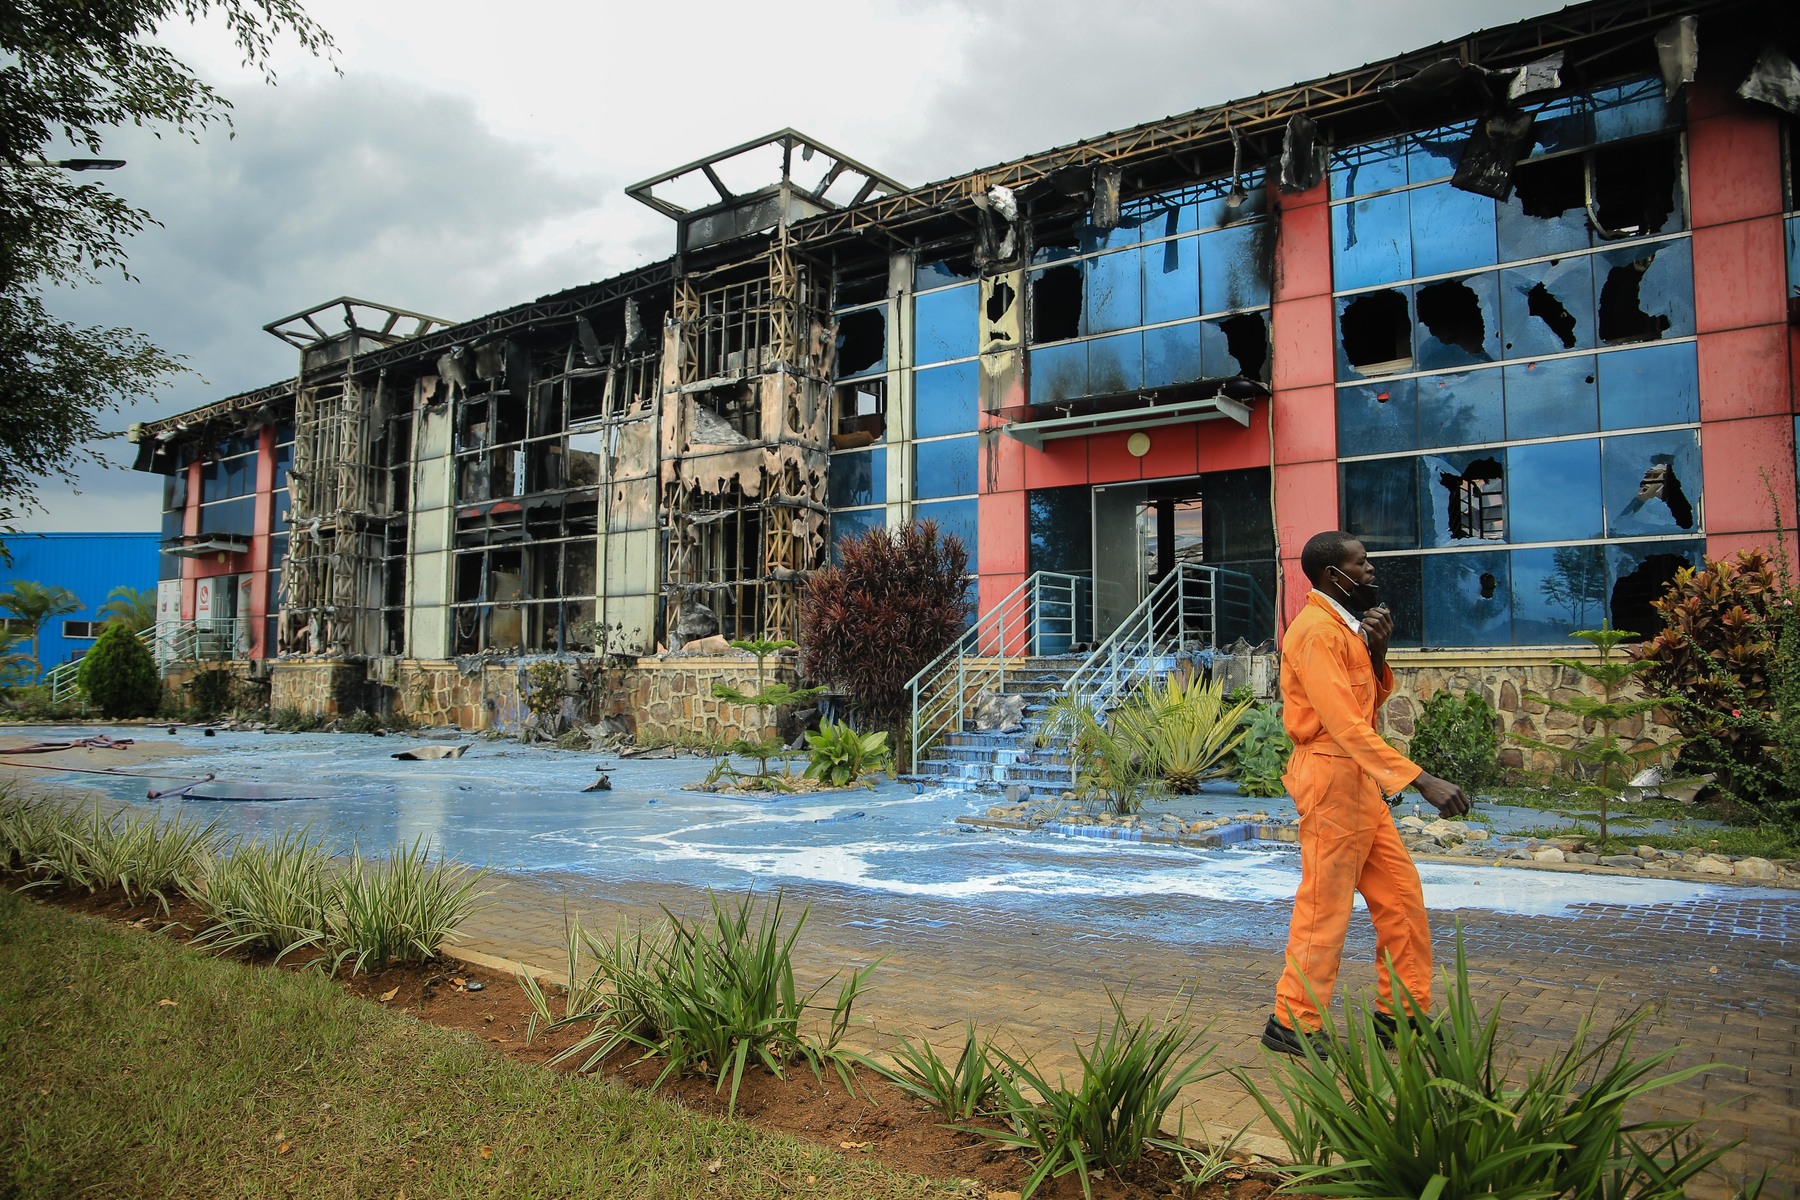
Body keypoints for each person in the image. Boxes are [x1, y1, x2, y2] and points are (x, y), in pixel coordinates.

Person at [1262, 530, 1469, 1056]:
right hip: (1333, 776)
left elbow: (1367, 700)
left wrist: (1378, 652)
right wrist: (1421, 780)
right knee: (1324, 905)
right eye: (1362, 563)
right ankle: (1293, 1022)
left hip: (1358, 782)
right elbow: (1345, 726)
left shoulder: (1345, 627)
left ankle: (1401, 1014)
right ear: (1336, 575)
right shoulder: (1315, 632)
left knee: (1400, 898)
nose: (1371, 569)